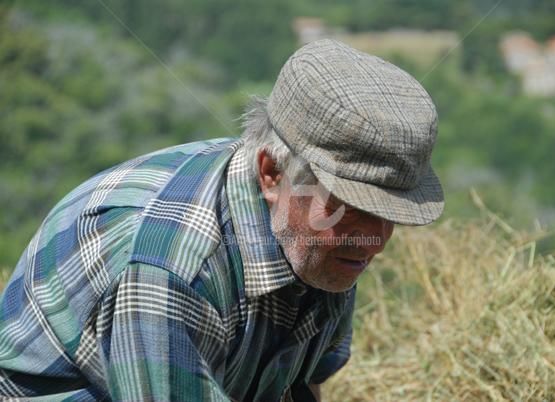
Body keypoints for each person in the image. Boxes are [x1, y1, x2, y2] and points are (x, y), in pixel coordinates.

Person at [0, 39, 443, 401]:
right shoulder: (171, 272)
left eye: (389, 213)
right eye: (351, 204)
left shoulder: (322, 234)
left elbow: (304, 386)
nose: (375, 240)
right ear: (272, 173)